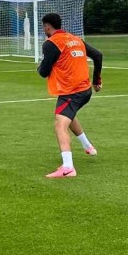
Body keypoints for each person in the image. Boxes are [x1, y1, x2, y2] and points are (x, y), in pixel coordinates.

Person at [37, 13, 103, 178]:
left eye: (44, 27)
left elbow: (44, 72)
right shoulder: (75, 39)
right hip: (84, 89)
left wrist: (39, 67)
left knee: (60, 125)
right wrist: (96, 80)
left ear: (47, 26)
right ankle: (88, 146)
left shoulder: (52, 43)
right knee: (68, 115)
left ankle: (68, 168)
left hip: (71, 92)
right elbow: (98, 55)